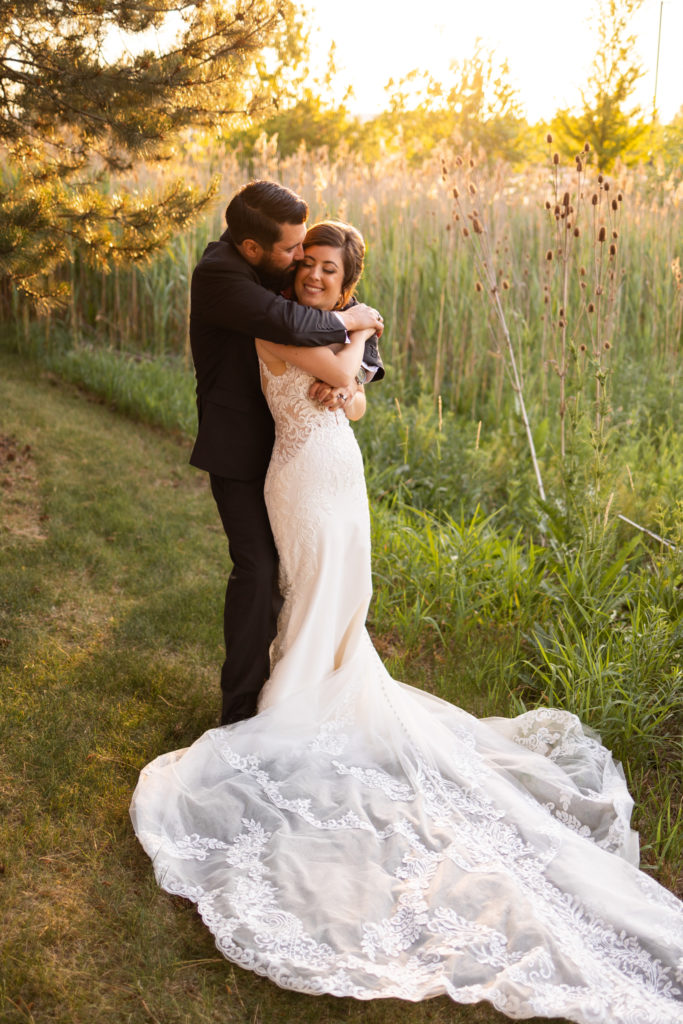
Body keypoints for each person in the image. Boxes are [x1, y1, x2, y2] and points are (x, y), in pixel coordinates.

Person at [131, 222, 683, 1023]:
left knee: (345, 601)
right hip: (302, 482)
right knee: (316, 595)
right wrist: (362, 324)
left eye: (332, 270)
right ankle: (288, 716)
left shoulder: (317, 329)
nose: (316, 275)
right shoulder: (282, 327)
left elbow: (349, 400)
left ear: (345, 276)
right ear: (294, 275)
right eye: (308, 265)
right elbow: (338, 368)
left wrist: (353, 361)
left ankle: (317, 698)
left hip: (336, 472)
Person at [188, 180, 384, 726]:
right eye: (294, 251)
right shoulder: (221, 274)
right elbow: (290, 324)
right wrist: (358, 324)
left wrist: (352, 381)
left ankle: (304, 688)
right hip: (245, 448)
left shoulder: (285, 271)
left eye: (307, 249)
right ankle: (242, 712)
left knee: (315, 579)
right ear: (254, 248)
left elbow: (349, 370)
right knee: (260, 572)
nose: (302, 262)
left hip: (315, 459)